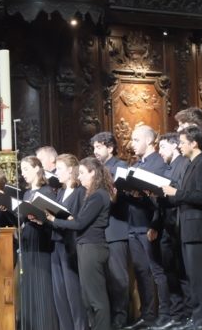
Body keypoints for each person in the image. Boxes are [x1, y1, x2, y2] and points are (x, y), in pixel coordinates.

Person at [45, 157, 112, 330]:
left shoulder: (98, 195)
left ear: (93, 173)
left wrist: (54, 220)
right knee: (88, 298)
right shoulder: (92, 195)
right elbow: (80, 220)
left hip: (93, 247)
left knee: (96, 299)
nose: (79, 177)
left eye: (82, 173)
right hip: (86, 247)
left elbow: (80, 224)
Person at [161, 126, 202, 330]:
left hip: (197, 229)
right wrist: (165, 194)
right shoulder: (190, 164)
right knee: (194, 279)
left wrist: (176, 193)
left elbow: (200, 196)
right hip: (187, 229)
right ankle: (199, 320)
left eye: (183, 142)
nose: (180, 146)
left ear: (194, 143)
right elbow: (184, 195)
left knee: (201, 280)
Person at [123, 125, 169, 330]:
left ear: (149, 141)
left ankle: (165, 314)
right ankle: (148, 315)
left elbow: (161, 199)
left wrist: (154, 224)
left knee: (156, 272)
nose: (131, 144)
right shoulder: (137, 164)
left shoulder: (158, 163)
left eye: (135, 139)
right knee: (142, 272)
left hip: (148, 225)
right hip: (133, 225)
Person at [152, 132, 191, 329]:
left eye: (163, 147)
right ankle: (177, 315)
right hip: (166, 226)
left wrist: (166, 191)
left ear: (175, 146)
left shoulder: (184, 164)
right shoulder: (168, 168)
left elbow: (181, 194)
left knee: (182, 272)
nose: (160, 152)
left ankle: (187, 315)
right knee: (170, 272)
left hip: (178, 225)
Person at [91, 131, 130, 329]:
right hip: (100, 230)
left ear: (110, 147)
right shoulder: (98, 168)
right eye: (94, 147)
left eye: (99, 147)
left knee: (118, 278)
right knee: (105, 277)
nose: (95, 151)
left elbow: (115, 195)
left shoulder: (120, 166)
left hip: (116, 228)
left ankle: (121, 318)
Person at [18, 156, 58, 330]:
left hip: (41, 242)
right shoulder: (27, 193)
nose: (23, 173)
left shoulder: (48, 192)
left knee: (41, 285)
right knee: (28, 285)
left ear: (37, 169)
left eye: (26, 169)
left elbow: (52, 219)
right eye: (21, 170)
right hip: (27, 240)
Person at [50, 154, 86, 330]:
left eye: (59, 169)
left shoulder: (80, 192)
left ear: (71, 170)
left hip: (71, 245)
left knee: (73, 292)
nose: (56, 173)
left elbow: (79, 220)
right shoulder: (62, 191)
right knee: (60, 292)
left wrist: (58, 219)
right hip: (56, 242)